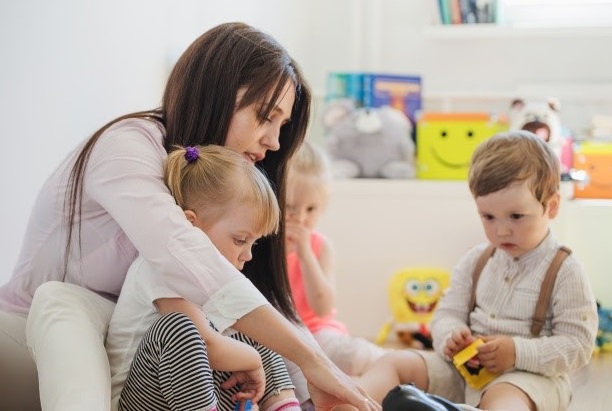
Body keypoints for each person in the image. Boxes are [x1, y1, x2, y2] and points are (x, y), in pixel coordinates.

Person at [0, 22, 378, 411]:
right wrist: (313, 362)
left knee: (246, 327)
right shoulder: (127, 148)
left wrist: (324, 384)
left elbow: (258, 302)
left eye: (282, 126)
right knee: (69, 299)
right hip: (33, 334)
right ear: (216, 95)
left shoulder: (219, 196)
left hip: (131, 342)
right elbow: (186, 256)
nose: (274, 141)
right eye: (265, 116)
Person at [353, 131, 599, 411]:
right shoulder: (476, 260)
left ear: (551, 206)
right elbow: (446, 314)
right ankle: (352, 405)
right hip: (462, 371)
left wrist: (517, 352)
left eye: (516, 216)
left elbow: (578, 345)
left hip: (529, 379)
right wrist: (451, 335)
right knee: (393, 362)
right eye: (488, 217)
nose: (501, 230)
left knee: (506, 401)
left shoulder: (565, 270)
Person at [107, 145, 298, 411]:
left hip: (192, 398)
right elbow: (208, 345)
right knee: (178, 328)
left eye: (252, 243)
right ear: (190, 225)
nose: (248, 255)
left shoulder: (209, 283)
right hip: (141, 401)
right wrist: (253, 359)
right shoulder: (161, 268)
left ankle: (282, 406)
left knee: (256, 323)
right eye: (240, 240)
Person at [285, 140, 387, 377]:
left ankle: (400, 365)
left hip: (318, 334)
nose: (301, 218)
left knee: (354, 354)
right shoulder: (259, 243)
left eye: (311, 209)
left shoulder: (320, 247)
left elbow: (323, 308)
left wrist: (305, 255)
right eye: (290, 207)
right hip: (280, 339)